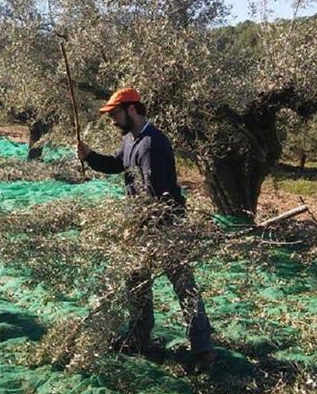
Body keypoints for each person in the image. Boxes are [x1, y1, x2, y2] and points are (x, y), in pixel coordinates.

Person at [76, 87, 215, 366]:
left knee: (183, 285)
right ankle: (139, 337)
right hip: (141, 224)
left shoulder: (153, 143)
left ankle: (202, 348)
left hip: (165, 226)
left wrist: (139, 224)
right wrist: (90, 155)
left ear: (131, 109)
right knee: (136, 282)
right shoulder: (131, 139)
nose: (112, 120)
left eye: (114, 114)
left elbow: (158, 195)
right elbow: (117, 165)